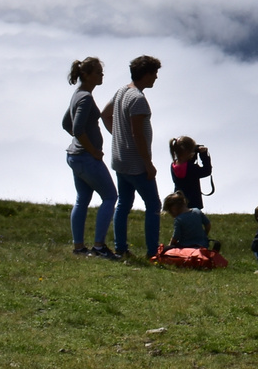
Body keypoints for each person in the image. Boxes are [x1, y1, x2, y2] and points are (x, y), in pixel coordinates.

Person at [108, 54, 163, 261]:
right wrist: (148, 164)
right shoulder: (138, 99)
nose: (156, 77)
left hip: (120, 159)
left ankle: (120, 248)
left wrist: (117, 136)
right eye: (154, 73)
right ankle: (152, 251)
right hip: (136, 164)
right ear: (146, 74)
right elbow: (137, 134)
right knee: (153, 205)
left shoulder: (122, 91)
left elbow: (105, 114)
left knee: (123, 203)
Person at [63, 57, 118, 260]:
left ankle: (79, 247)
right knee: (110, 196)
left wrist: (81, 143)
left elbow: (66, 123)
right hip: (86, 158)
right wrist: (92, 150)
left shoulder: (77, 94)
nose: (101, 75)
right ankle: (99, 247)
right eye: (97, 72)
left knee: (83, 199)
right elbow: (77, 129)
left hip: (75, 157)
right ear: (86, 75)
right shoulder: (85, 98)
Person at [168, 137, 213, 210]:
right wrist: (204, 155)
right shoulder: (191, 168)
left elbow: (185, 164)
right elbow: (207, 171)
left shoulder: (173, 165)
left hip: (180, 202)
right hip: (193, 203)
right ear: (187, 152)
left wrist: (192, 154)